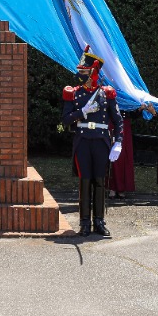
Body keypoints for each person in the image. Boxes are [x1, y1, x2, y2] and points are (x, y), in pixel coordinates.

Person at [61, 47, 124, 236]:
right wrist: (83, 112)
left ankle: (99, 222)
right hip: (82, 140)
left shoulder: (107, 93)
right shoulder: (74, 93)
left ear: (93, 73)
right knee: (85, 181)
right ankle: (85, 223)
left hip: (101, 141)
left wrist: (118, 141)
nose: (79, 75)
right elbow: (65, 120)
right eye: (79, 72)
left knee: (99, 181)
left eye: (83, 72)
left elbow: (118, 119)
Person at [110, 111, 137, 199]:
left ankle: (122, 188)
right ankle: (112, 188)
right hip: (111, 122)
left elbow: (135, 113)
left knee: (123, 156)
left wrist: (140, 109)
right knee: (111, 155)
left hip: (124, 123)